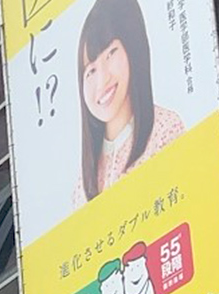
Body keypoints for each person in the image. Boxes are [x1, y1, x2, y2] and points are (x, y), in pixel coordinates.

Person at [75, 0, 186, 204]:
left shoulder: (165, 131)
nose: (102, 81)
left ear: (133, 49)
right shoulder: (83, 183)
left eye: (111, 53)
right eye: (91, 70)